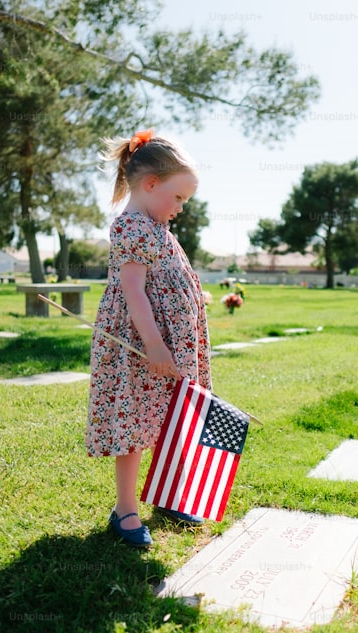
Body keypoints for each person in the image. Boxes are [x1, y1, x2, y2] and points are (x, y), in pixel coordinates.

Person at [86, 128, 212, 547]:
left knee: (172, 421)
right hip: (142, 346)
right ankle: (124, 509)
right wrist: (155, 346)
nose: (180, 208)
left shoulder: (158, 227)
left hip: (173, 343)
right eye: (177, 198)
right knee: (137, 424)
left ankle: (170, 495)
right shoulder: (132, 227)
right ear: (151, 184)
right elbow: (132, 290)